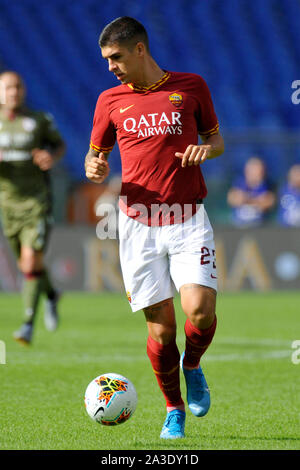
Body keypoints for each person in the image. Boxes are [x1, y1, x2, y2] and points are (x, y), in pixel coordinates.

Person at [85, 17, 224, 439]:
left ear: (139, 49)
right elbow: (94, 156)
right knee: (162, 331)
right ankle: (173, 408)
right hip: (138, 226)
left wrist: (206, 150)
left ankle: (194, 365)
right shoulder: (109, 100)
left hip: (187, 218)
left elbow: (217, 141)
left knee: (199, 311)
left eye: (116, 57)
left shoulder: (192, 87)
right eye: (106, 59)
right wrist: (94, 166)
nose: (110, 67)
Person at [0, 71, 65, 344]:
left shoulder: (38, 121)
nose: (13, 92)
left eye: (17, 87)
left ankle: (27, 324)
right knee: (28, 264)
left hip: (37, 201)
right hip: (8, 204)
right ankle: (51, 294)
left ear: (23, 90)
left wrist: (49, 156)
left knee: (29, 261)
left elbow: (58, 145)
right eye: (7, 88)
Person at [227, 156, 275, 227]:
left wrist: (246, 199)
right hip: (238, 226)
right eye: (253, 170)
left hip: (260, 226)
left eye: (259, 171)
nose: (256, 174)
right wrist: (257, 200)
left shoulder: (268, 185)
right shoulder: (239, 183)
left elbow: (268, 202)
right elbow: (232, 200)